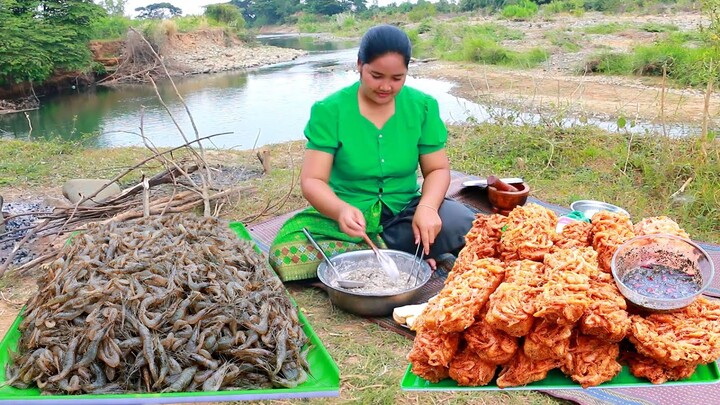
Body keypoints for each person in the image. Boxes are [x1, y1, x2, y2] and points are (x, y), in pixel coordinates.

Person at [269, 24, 475, 282]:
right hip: (346, 220)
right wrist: (341, 210)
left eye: (396, 78)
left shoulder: (422, 107)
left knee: (462, 221)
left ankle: (371, 257)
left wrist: (428, 207)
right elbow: (313, 181)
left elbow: (437, 169)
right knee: (284, 251)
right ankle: (409, 254)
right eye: (376, 76)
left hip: (404, 211)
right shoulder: (329, 110)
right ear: (359, 65)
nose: (386, 87)